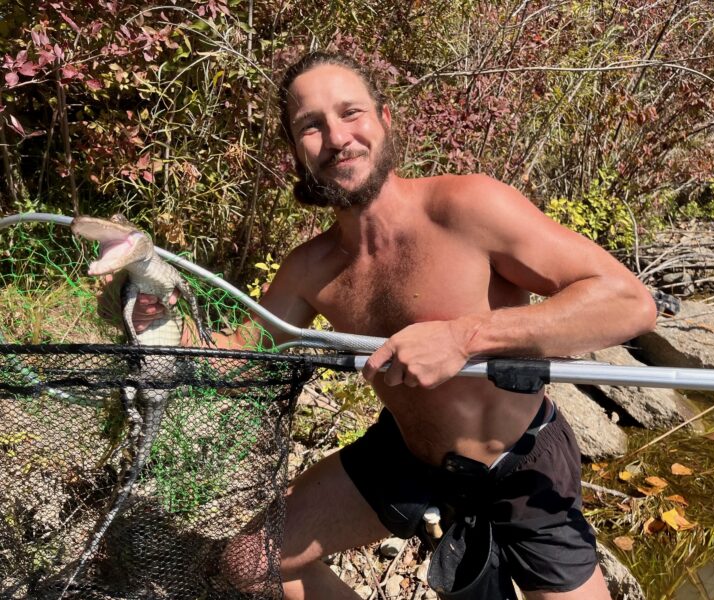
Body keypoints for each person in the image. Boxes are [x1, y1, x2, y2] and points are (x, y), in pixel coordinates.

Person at [131, 51, 656, 599]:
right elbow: (240, 360)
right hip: (408, 455)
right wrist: (155, 321)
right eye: (311, 125)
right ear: (296, 151)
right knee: (250, 561)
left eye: (350, 112)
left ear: (384, 118)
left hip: (522, 462)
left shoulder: (468, 207)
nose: (337, 138)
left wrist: (463, 337)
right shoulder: (309, 269)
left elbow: (628, 302)